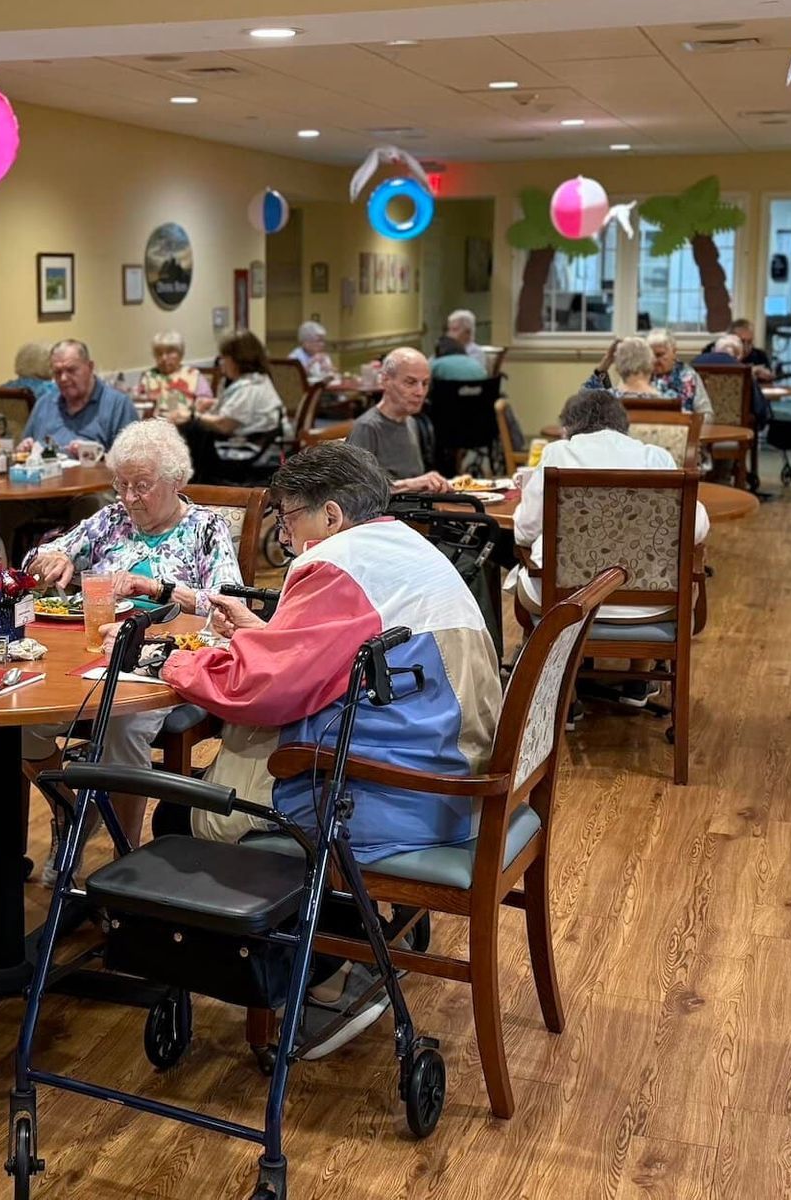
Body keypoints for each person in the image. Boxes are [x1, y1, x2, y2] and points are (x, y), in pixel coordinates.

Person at [152, 444, 501, 1056]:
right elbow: (342, 657)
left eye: (288, 518)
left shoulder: (336, 563)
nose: (284, 535)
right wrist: (269, 636)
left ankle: (323, 963)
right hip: (457, 768)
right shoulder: (400, 546)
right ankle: (353, 935)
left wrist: (172, 660)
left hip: (400, 795)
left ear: (332, 516)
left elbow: (262, 690)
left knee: (187, 810)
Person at [24, 419, 242, 849]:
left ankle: (124, 857)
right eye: (120, 484)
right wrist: (49, 559)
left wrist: (154, 587)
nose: (128, 498)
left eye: (140, 485)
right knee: (22, 724)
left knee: (121, 728)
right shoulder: (111, 520)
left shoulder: (206, 527)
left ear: (176, 480)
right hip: (86, 655)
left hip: (161, 661)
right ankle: (74, 813)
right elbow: (41, 554)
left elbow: (228, 605)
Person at [511, 390, 710, 618]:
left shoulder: (557, 454)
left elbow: (525, 532)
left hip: (563, 601)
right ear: (624, 425)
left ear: (567, 428)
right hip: (650, 602)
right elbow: (695, 529)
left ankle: (543, 651)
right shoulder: (655, 458)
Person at [182, 329, 285, 479]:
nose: (222, 363)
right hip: (258, 444)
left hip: (251, 452)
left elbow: (224, 425)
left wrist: (192, 415)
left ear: (237, 359)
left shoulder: (249, 387)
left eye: (224, 357)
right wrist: (214, 404)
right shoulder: (257, 380)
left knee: (193, 430)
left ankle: (196, 486)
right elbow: (241, 412)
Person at [347, 347, 451, 495]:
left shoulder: (413, 422)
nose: (420, 392)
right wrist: (410, 484)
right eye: (410, 382)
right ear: (385, 380)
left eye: (425, 383)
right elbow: (355, 491)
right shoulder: (367, 427)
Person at [22, 339, 139, 455]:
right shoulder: (44, 404)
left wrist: (95, 456)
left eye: (71, 370)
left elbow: (134, 462)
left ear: (90, 367)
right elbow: (26, 448)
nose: (63, 378)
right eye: (57, 372)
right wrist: (25, 448)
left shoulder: (118, 406)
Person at [581, 330, 713, 418]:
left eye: (660, 355)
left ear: (674, 352)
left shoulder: (688, 375)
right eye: (651, 354)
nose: (655, 360)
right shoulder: (637, 375)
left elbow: (706, 413)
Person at [131, 330, 212, 423]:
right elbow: (137, 401)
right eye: (159, 353)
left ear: (180, 354)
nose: (164, 358)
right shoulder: (149, 375)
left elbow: (206, 405)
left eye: (169, 352)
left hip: (185, 428)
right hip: (153, 428)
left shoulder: (193, 374)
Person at [694, 332, 771, 427]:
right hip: (735, 420)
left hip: (699, 417)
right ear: (738, 356)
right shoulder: (743, 369)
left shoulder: (695, 363)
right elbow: (758, 406)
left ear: (714, 350)